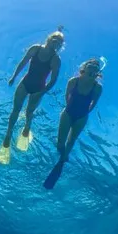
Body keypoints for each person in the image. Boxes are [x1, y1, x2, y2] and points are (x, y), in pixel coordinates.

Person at [0, 29, 64, 165]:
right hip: (25, 83)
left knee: (29, 112)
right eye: (55, 39)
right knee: (16, 109)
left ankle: (27, 127)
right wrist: (13, 77)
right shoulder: (35, 48)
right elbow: (23, 62)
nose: (56, 42)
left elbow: (53, 80)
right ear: (49, 38)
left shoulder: (56, 60)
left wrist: (42, 92)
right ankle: (8, 135)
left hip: (38, 89)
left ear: (60, 46)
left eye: (59, 42)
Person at [42, 57, 104, 189]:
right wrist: (69, 109)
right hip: (68, 113)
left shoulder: (97, 88)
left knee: (71, 141)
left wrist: (84, 113)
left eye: (96, 67)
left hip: (82, 116)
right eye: (90, 65)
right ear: (84, 68)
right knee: (60, 142)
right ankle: (61, 153)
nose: (93, 67)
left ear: (98, 72)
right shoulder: (73, 81)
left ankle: (62, 160)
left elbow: (93, 104)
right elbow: (67, 96)